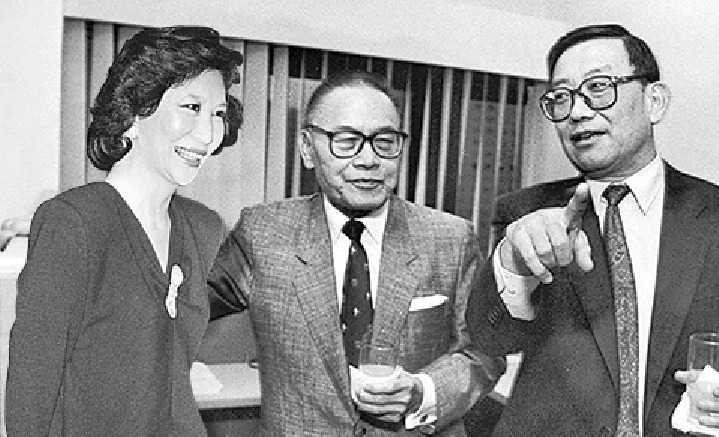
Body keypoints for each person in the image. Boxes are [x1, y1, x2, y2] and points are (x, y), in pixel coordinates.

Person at [466, 24, 719, 436]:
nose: (577, 112)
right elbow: (490, 340)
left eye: (598, 88)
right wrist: (512, 263)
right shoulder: (528, 214)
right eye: (561, 97)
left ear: (655, 101)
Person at [207, 70, 505, 436]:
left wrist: (422, 392)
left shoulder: (451, 239)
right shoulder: (263, 233)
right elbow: (177, 303)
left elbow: (484, 353)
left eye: (384, 142)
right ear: (307, 148)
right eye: (346, 141)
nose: (368, 160)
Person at [6, 25, 243, 436]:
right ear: (134, 113)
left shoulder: (203, 227)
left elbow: (171, 381)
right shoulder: (75, 224)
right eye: (191, 107)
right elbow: (31, 397)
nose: (207, 134)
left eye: (218, 114)